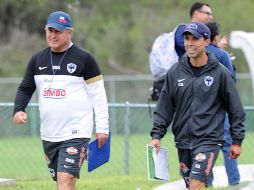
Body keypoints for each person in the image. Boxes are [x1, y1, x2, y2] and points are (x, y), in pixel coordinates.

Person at [13, 11, 109, 190]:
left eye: (57, 31)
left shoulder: (84, 59)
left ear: (69, 33)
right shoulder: (37, 59)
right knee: (60, 180)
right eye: (49, 30)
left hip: (76, 131)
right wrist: (19, 109)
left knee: (66, 179)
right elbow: (25, 88)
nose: (52, 35)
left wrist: (103, 127)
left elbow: (99, 95)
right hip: (49, 133)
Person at [149, 22, 245, 190]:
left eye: (195, 38)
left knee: (196, 185)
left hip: (209, 140)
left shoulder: (220, 73)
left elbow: (235, 108)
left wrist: (237, 140)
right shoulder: (175, 72)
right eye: (187, 38)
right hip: (183, 141)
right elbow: (165, 106)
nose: (190, 43)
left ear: (207, 42)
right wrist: (157, 135)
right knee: (195, 186)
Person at [206, 21, 240, 186]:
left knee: (204, 145)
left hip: (201, 109)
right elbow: (231, 81)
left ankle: (207, 182)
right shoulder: (222, 55)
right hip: (221, 106)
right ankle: (234, 182)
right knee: (227, 145)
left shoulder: (196, 53)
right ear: (216, 36)